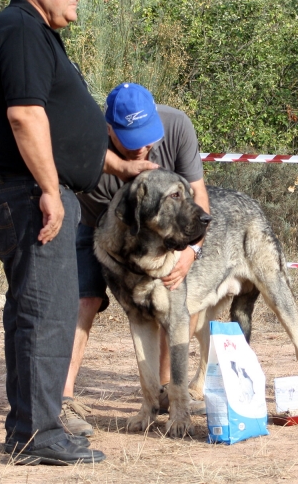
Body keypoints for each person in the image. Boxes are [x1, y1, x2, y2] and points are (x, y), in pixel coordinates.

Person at [0, 0, 152, 465]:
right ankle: (36, 436)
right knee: (44, 315)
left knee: (40, 312)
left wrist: (118, 166)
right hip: (28, 194)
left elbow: (65, 127)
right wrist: (51, 190)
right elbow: (26, 118)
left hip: (33, 192)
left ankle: (36, 427)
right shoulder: (22, 31)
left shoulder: (34, 33)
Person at [59, 82, 210, 436]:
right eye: (131, 138)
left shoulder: (176, 125)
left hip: (161, 229)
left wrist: (191, 250)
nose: (143, 146)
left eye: (148, 136)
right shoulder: (88, 142)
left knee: (173, 297)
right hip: (95, 224)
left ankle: (165, 390)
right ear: (109, 129)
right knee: (85, 297)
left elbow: (198, 195)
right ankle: (62, 400)